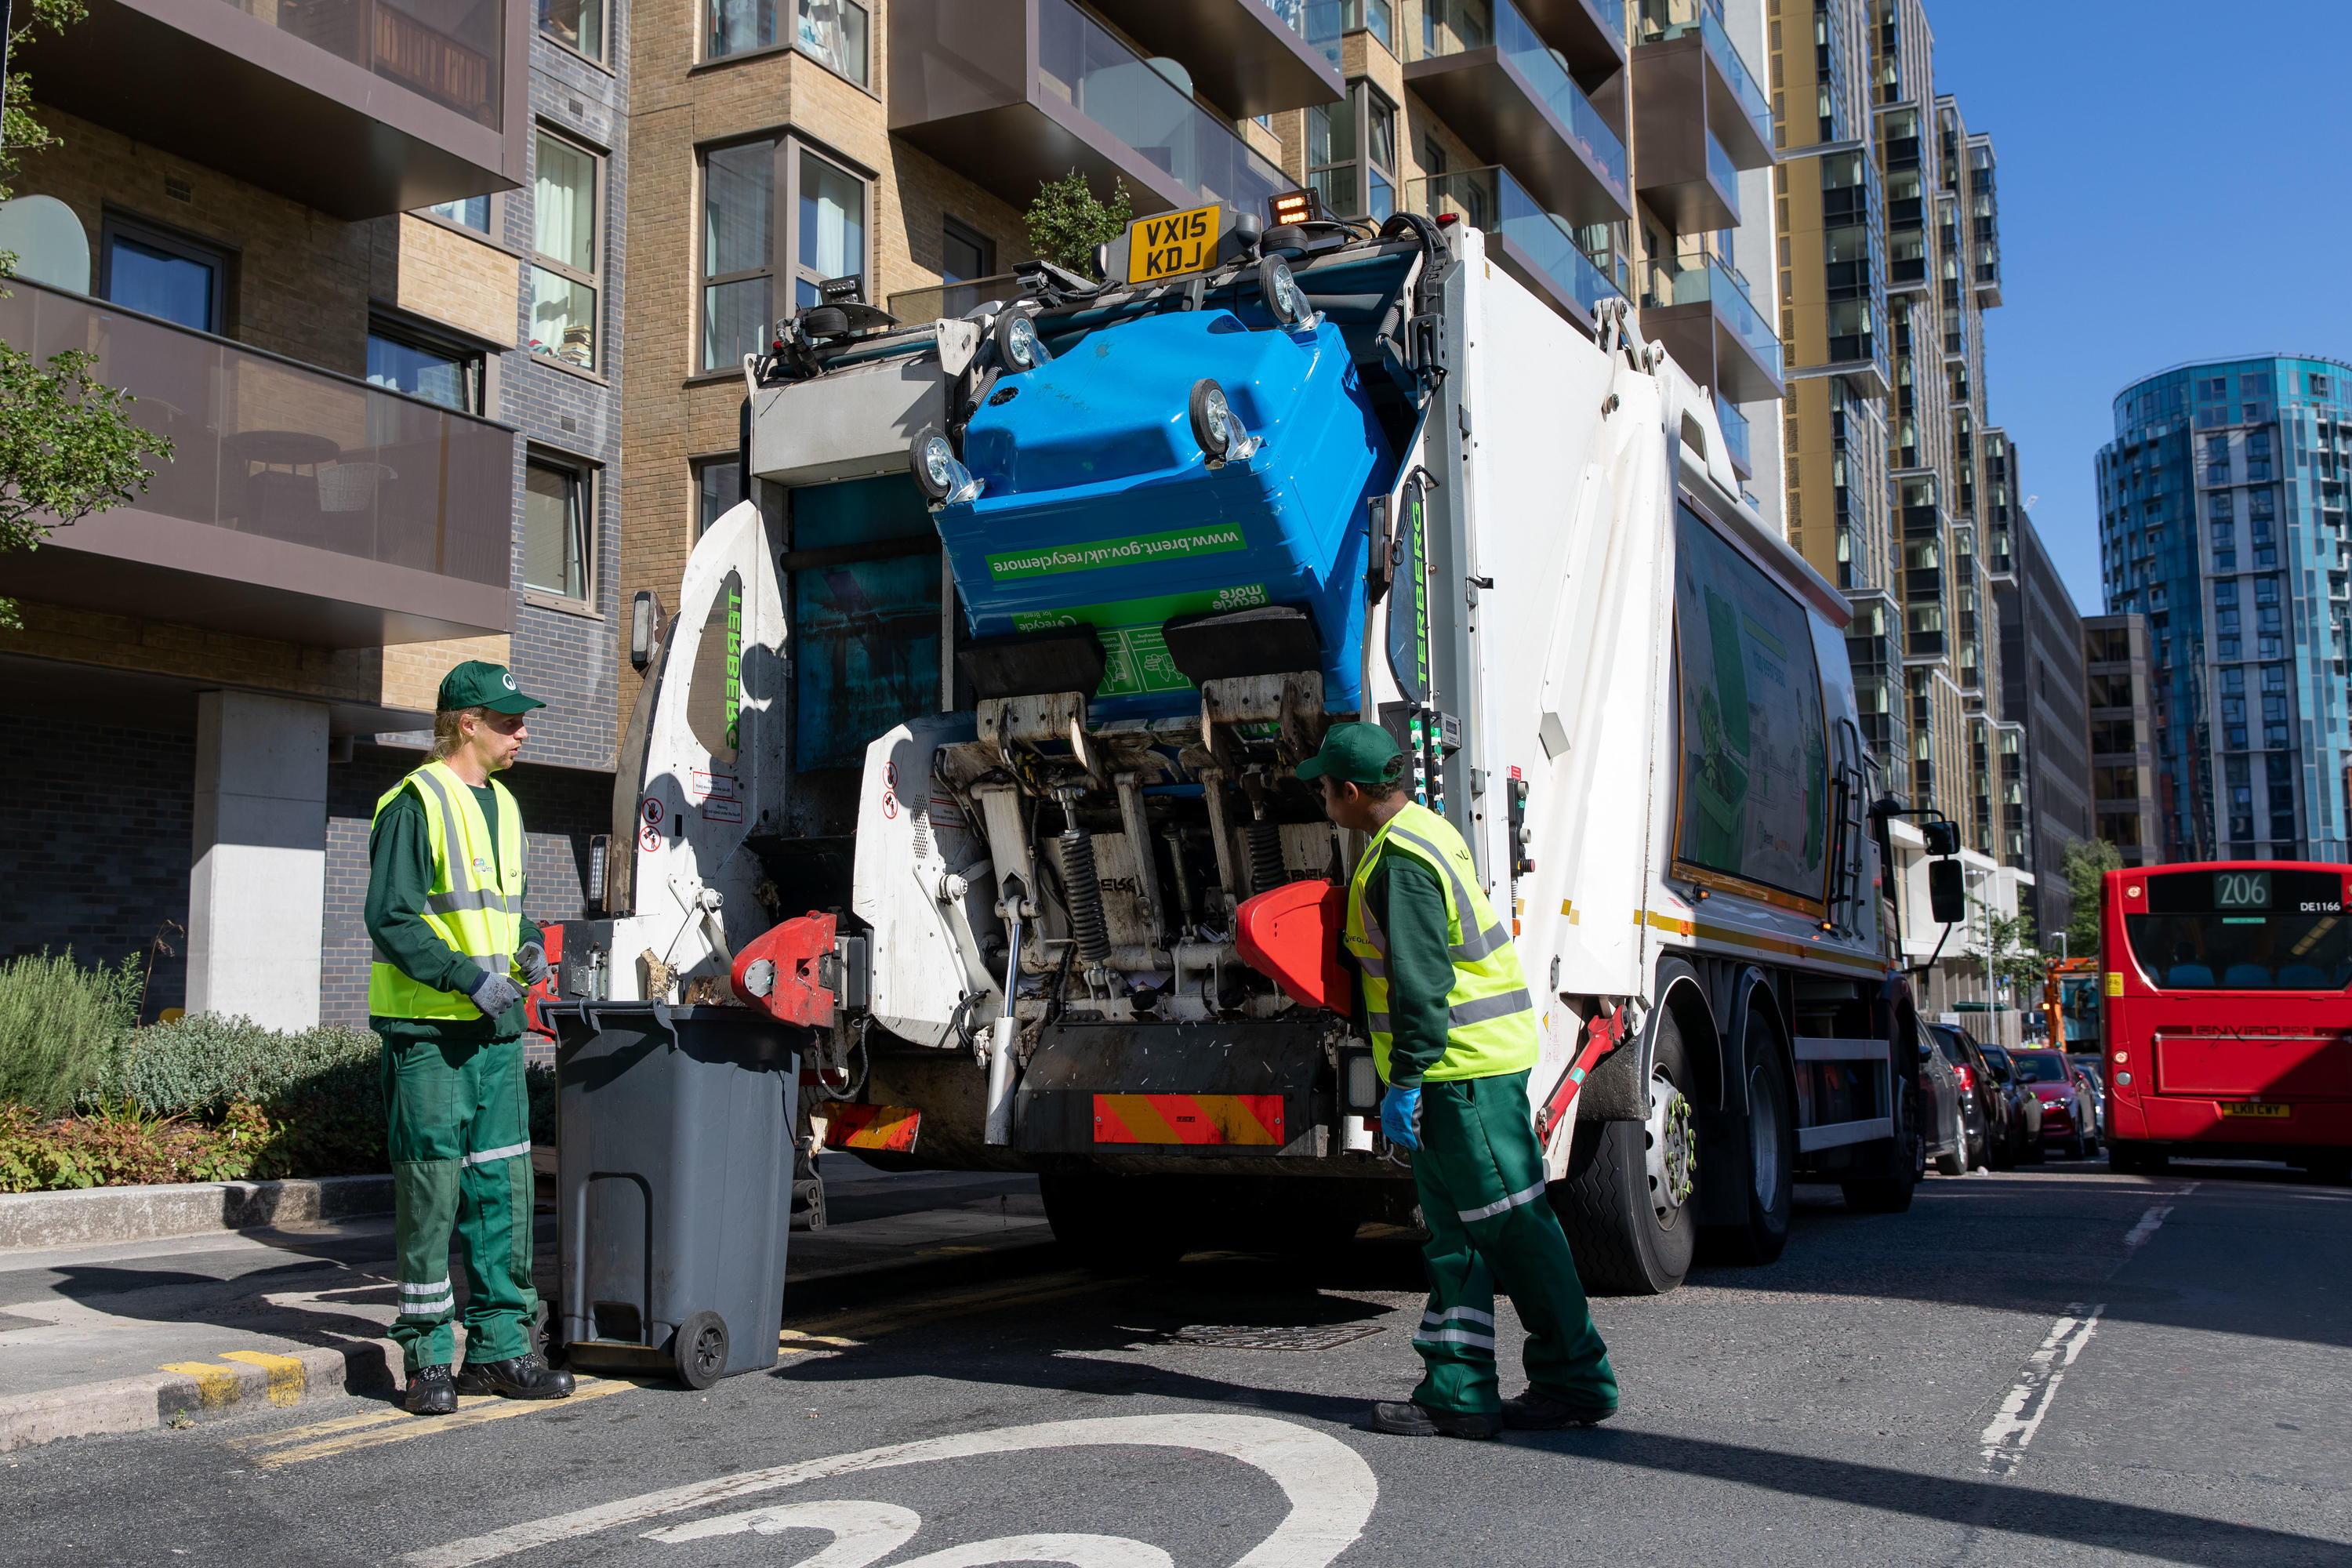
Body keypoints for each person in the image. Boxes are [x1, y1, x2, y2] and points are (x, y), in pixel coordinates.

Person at [1299, 721, 1617, 1439]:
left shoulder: (1400, 865)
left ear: (1351, 793)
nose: (1321, 795)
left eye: (1325, 786)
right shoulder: (1425, 831)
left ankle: (1576, 1379)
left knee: (1515, 1230)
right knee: (1459, 1240)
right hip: (1463, 1075)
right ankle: (1459, 1390)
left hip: (1461, 1076)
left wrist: (1405, 1079)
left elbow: (1420, 983)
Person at [366, 661, 575, 1414]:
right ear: (466, 723)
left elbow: (501, 906)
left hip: (494, 1033)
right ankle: (426, 1358)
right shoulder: (414, 803)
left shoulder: (508, 806)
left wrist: (526, 948)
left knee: (503, 1191)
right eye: (509, 719)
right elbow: (391, 917)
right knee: (432, 1189)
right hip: (430, 1034)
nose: (523, 730)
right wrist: (464, 976)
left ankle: (499, 1350)